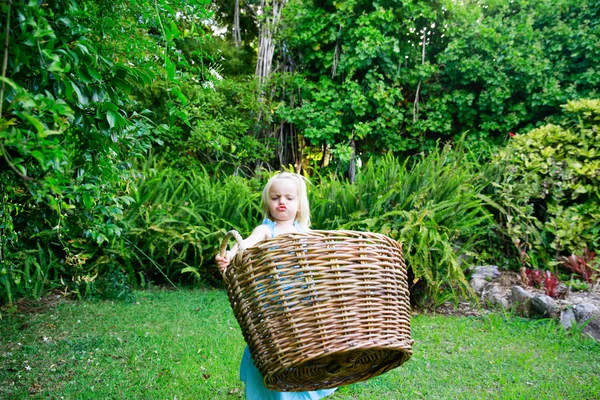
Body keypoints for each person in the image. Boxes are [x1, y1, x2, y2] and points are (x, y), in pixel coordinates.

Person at [215, 172, 337, 400]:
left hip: (301, 304)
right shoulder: (265, 231)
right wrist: (229, 257)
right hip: (273, 304)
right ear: (267, 203)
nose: (282, 201)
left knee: (303, 350)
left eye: (289, 198)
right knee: (275, 350)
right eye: (275, 197)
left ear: (299, 205)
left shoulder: (306, 234)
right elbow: (245, 247)